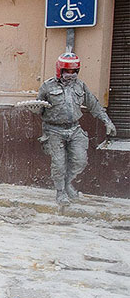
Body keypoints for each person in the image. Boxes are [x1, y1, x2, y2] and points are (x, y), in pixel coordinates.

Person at [33, 52, 117, 205]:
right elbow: (39, 108)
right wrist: (35, 108)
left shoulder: (80, 85)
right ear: (60, 70)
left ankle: (67, 184)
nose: (70, 74)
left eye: (74, 71)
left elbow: (94, 105)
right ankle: (60, 192)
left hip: (74, 129)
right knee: (59, 163)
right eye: (67, 71)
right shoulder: (47, 86)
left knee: (80, 161)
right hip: (53, 130)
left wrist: (107, 121)